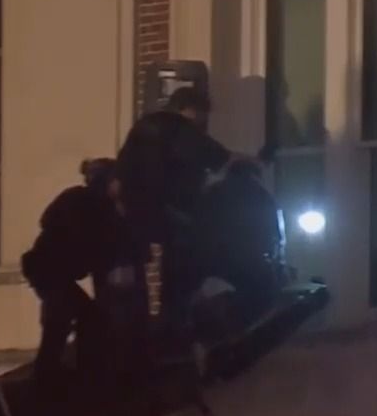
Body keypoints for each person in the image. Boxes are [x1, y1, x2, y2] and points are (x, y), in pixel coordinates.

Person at [115, 86, 245, 346]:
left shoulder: (141, 128)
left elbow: (123, 171)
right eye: (202, 116)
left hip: (135, 214)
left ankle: (139, 342)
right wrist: (246, 162)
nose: (203, 123)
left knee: (139, 283)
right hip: (171, 216)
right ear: (191, 110)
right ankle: (175, 336)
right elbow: (217, 157)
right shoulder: (181, 129)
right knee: (179, 277)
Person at [20, 158, 132, 395]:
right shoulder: (90, 205)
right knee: (61, 320)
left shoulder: (88, 203)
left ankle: (62, 373)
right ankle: (47, 380)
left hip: (51, 272)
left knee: (83, 317)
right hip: (49, 271)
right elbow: (96, 251)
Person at [195, 159, 284, 327]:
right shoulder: (262, 196)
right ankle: (236, 328)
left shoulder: (212, 192)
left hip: (208, 263)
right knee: (267, 294)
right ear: (254, 175)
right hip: (249, 264)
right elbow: (276, 236)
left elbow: (198, 227)